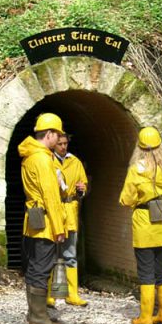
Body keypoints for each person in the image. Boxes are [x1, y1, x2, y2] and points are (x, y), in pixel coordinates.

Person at [119, 126, 162, 324]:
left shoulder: (137, 169)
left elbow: (126, 198)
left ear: (140, 147)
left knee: (146, 270)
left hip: (145, 222)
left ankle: (145, 317)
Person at [18, 112, 68, 324]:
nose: (59, 140)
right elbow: (51, 196)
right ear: (49, 134)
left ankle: (35, 312)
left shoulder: (30, 155)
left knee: (34, 266)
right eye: (57, 135)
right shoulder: (42, 159)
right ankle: (38, 317)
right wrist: (59, 228)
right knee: (42, 267)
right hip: (46, 223)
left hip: (33, 219)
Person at [47, 132, 89, 308]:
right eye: (60, 144)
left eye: (65, 144)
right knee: (51, 253)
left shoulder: (75, 162)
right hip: (54, 209)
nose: (63, 147)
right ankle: (51, 293)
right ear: (54, 145)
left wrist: (81, 189)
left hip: (70, 210)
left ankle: (72, 294)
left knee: (70, 254)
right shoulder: (47, 160)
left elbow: (83, 185)